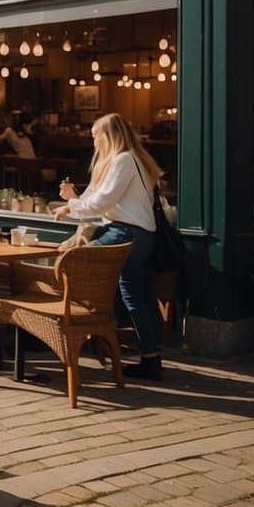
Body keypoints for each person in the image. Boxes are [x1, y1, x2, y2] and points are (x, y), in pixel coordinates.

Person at [53, 112, 163, 380]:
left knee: (76, 264)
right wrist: (74, 199)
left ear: (107, 136)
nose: (93, 144)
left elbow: (103, 202)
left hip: (126, 232)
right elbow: (98, 201)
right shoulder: (127, 160)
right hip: (139, 234)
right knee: (140, 294)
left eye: (95, 137)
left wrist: (70, 206)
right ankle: (151, 356)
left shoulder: (124, 160)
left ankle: (85, 333)